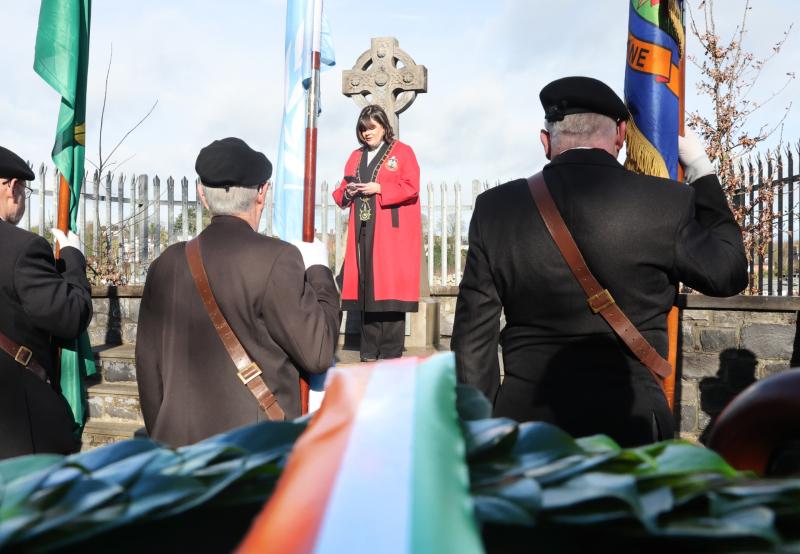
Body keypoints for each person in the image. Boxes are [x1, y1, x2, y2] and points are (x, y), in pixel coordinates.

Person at [451, 76, 748, 447]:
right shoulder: (666, 202)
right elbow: (728, 274)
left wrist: (483, 435)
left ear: (545, 141)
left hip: (525, 426)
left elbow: (471, 340)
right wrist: (701, 171)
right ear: (621, 134)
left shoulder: (495, 209)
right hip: (631, 426)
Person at [136, 137, 340, 447]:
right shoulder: (277, 258)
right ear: (262, 192)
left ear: (202, 195)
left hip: (177, 451)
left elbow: (148, 371)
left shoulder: (165, 264)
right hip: (251, 453)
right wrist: (319, 272)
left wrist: (164, 438)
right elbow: (318, 352)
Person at [0, 145, 90, 458]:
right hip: (17, 430)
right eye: (24, 190)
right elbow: (70, 316)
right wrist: (73, 258)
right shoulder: (22, 249)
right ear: (12, 187)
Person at [332, 105, 421, 362]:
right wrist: (348, 192)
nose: (367, 133)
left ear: (384, 126)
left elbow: (411, 187)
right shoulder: (355, 156)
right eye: (363, 128)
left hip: (390, 233)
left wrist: (380, 188)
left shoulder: (402, 152)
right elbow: (342, 189)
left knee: (390, 289)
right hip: (362, 229)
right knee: (367, 289)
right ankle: (369, 351)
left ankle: (391, 353)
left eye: (371, 127)